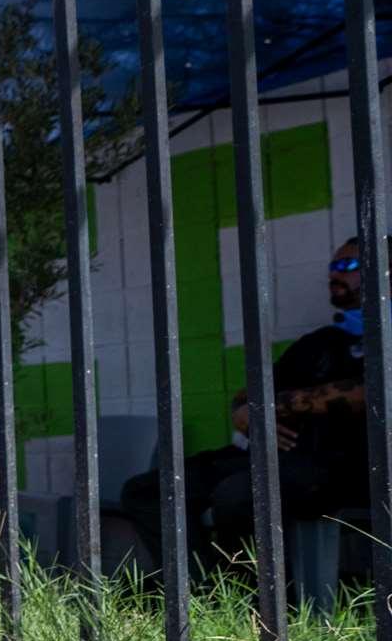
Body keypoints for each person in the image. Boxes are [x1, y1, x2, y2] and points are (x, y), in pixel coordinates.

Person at [121, 236, 372, 572]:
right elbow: (250, 392)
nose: (334, 274)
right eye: (333, 266)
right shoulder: (321, 342)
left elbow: (368, 391)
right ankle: (200, 597)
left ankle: (260, 606)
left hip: (348, 465)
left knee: (240, 493)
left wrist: (274, 408)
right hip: (278, 456)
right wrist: (245, 413)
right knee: (148, 490)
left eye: (347, 265)